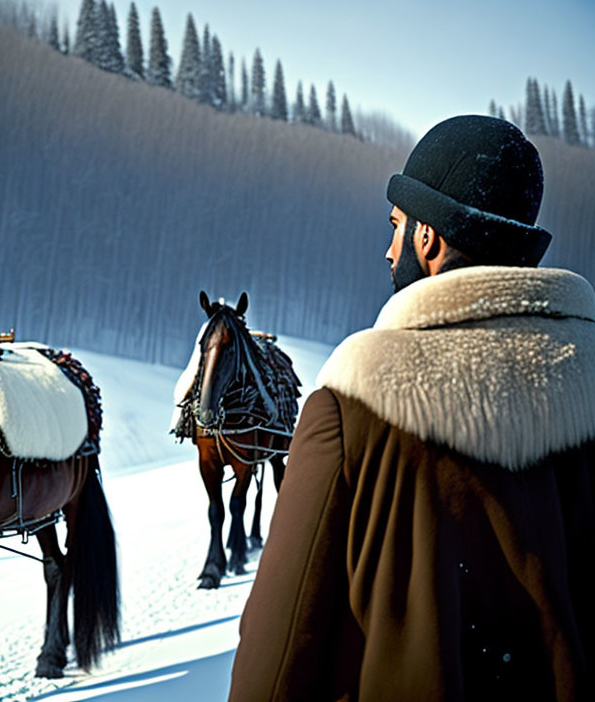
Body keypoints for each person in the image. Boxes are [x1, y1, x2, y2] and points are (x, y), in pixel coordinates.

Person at [228, 115, 594, 701]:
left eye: (398, 226)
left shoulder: (356, 399)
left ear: (430, 239)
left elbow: (278, 657)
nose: (389, 246)